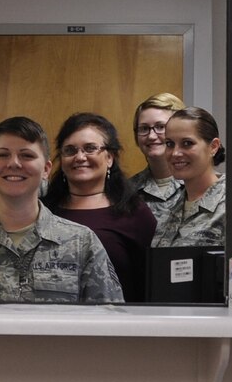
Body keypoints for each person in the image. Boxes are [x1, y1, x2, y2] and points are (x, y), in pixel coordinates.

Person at [0, 116, 123, 304]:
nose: (14, 163)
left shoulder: (81, 243)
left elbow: (110, 324)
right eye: (3, 154)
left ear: (46, 169)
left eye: (27, 155)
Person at [44, 113, 158, 302]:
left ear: (110, 158)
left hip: (116, 323)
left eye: (90, 148)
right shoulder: (44, 210)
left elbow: (148, 284)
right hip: (53, 322)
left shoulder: (134, 212)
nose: (80, 157)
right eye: (70, 150)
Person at [153, 106, 232, 248]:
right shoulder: (168, 208)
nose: (175, 153)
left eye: (187, 143)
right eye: (170, 144)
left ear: (213, 147)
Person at [129, 92, 186, 226]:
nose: (151, 136)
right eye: (144, 128)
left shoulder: (201, 185)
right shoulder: (125, 192)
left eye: (160, 127)